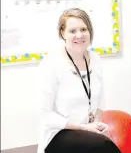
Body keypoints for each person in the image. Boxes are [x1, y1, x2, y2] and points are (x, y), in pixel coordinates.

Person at [37, 8, 121, 153]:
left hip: (87, 130)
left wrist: (95, 125)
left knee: (102, 142)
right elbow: (45, 115)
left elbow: (100, 102)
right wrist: (85, 128)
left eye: (84, 29)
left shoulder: (95, 59)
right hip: (59, 133)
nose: (79, 35)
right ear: (62, 33)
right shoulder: (51, 63)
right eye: (72, 31)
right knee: (103, 146)